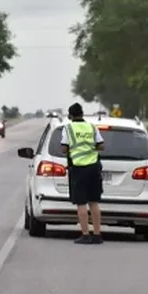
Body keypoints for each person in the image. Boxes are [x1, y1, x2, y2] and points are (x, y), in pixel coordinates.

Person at [59, 102, 105, 244]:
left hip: (79, 168)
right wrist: (88, 146)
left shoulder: (68, 128)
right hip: (94, 167)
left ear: (70, 116)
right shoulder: (92, 127)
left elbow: (64, 149)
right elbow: (101, 146)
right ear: (82, 114)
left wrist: (76, 148)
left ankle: (85, 234)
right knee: (94, 202)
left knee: (81, 203)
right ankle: (97, 235)